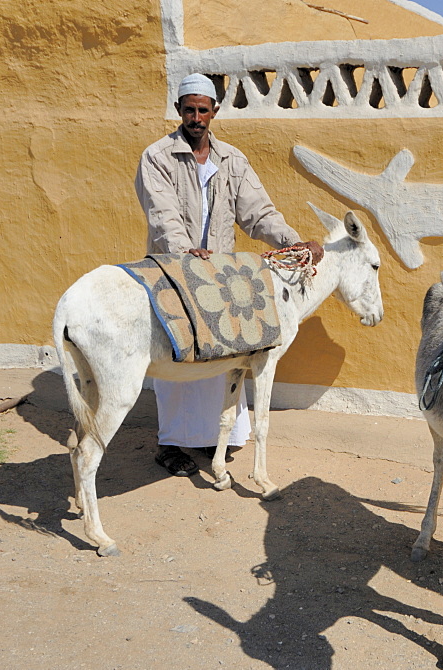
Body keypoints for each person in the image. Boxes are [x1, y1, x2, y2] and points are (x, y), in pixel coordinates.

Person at [135, 73, 324, 478]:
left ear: (214, 112)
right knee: (178, 354)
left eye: (204, 110)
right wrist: (187, 252)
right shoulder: (157, 156)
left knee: (219, 352)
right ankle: (170, 444)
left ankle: (210, 438)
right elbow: (163, 214)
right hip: (173, 268)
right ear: (179, 111)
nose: (196, 117)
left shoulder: (232, 160)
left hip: (218, 273)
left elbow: (258, 212)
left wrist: (294, 242)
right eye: (189, 109)